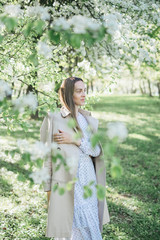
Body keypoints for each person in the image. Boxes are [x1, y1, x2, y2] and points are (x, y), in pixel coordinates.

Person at [40, 77, 110, 239]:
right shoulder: (53, 119)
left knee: (91, 227)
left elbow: (96, 150)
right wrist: (48, 190)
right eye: (79, 91)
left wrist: (75, 140)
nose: (84, 94)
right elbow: (47, 158)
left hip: (89, 181)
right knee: (72, 228)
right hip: (69, 183)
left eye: (84, 90)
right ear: (68, 94)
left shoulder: (87, 119)